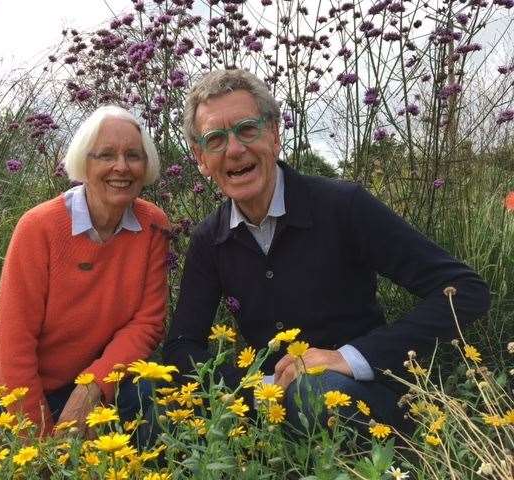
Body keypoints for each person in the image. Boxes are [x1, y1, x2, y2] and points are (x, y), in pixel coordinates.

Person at [163, 69, 490, 433]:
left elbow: (465, 290)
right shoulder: (210, 239)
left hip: (363, 398)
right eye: (215, 139)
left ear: (274, 135)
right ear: (201, 159)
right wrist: (254, 386)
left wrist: (349, 357)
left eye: (247, 129)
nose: (235, 149)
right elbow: (181, 346)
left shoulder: (342, 206)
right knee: (143, 395)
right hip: (270, 409)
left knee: (316, 390)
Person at [0, 105, 170, 437]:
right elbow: (14, 341)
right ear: (83, 163)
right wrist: (41, 441)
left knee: (156, 413)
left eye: (133, 156)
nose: (121, 167)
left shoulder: (153, 225)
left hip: (90, 380)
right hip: (13, 389)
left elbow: (147, 323)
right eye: (105, 155)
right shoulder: (40, 227)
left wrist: (92, 386)